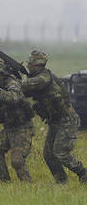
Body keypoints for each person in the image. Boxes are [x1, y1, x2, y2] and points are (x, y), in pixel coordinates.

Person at [22, 50, 87, 184]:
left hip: (67, 120)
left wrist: (14, 82)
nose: (28, 66)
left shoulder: (44, 78)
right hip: (55, 121)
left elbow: (27, 85)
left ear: (36, 65)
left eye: (30, 64)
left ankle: (83, 172)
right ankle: (61, 181)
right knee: (48, 155)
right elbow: (26, 91)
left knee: (60, 153)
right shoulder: (38, 78)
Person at [0, 62, 35, 182]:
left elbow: (15, 98)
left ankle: (27, 185)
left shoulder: (12, 83)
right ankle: (5, 180)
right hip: (8, 128)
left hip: (23, 127)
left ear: (3, 74)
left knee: (17, 160)